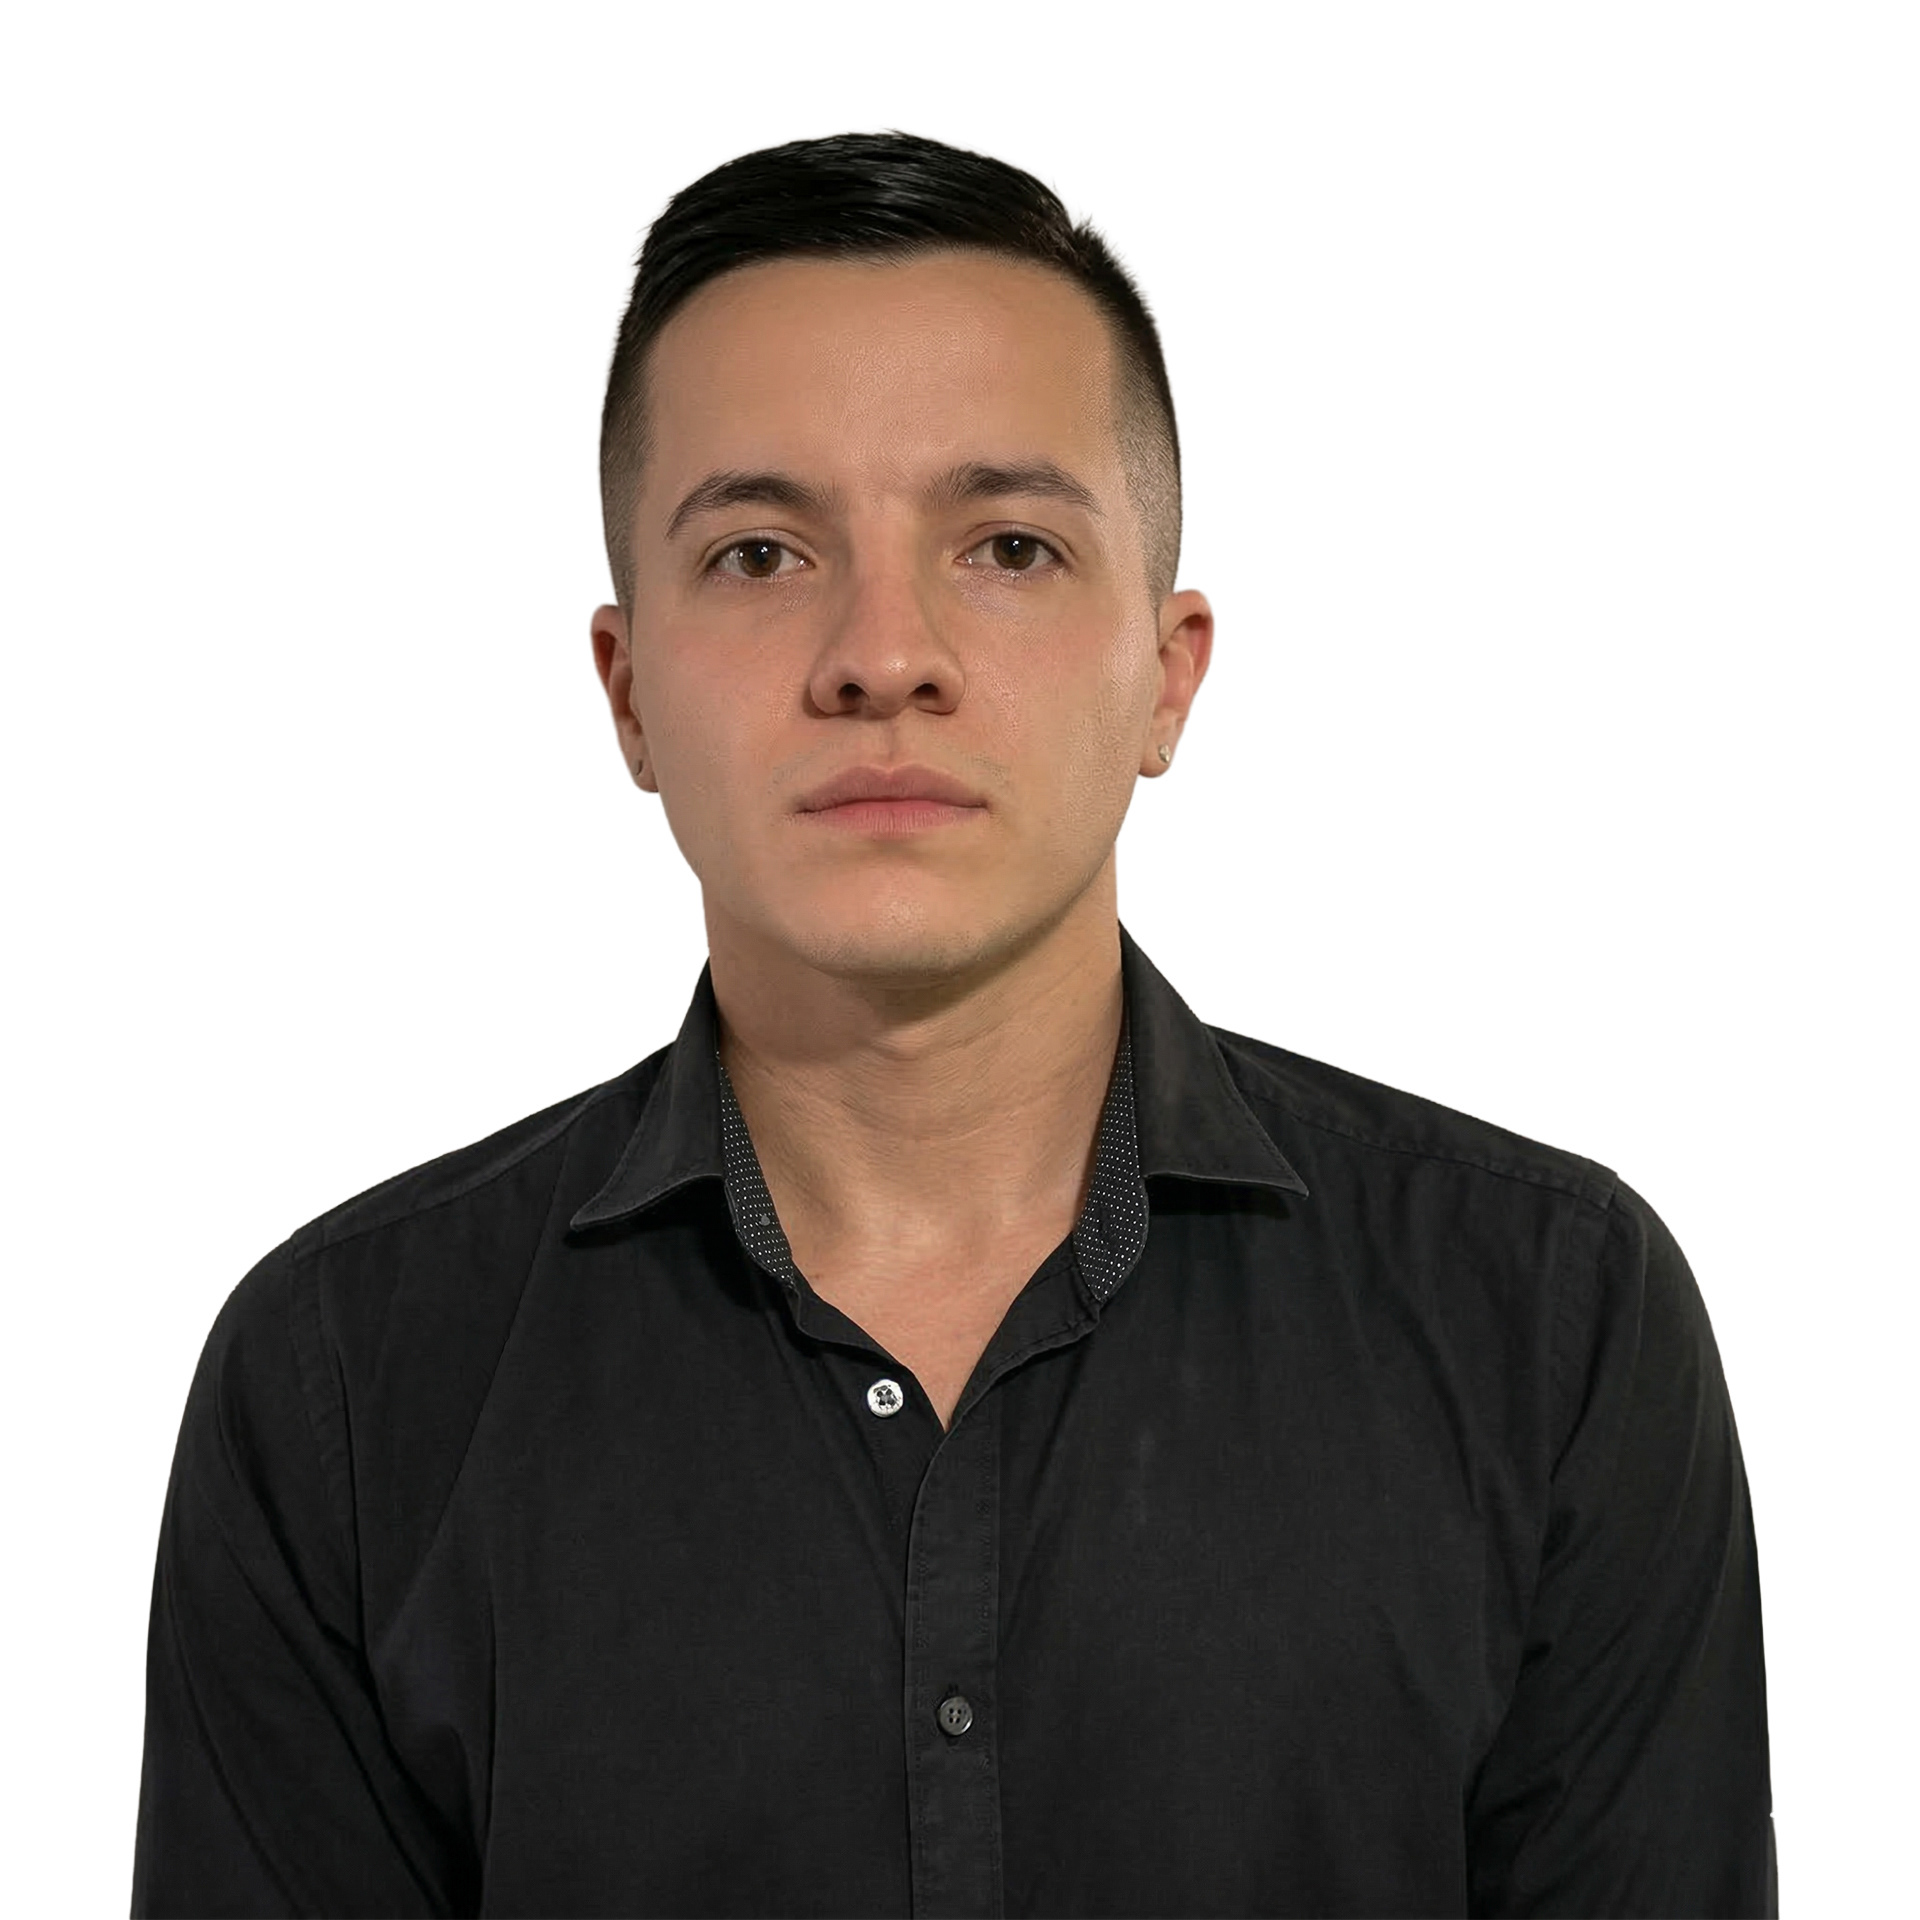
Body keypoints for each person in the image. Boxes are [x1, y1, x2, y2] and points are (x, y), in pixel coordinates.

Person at [131, 131, 1775, 1917]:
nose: (882, 654)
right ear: (628, 691)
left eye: (1007, 545)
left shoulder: (1548, 1321)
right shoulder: (349, 1383)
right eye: (760, 553)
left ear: (1167, 673)